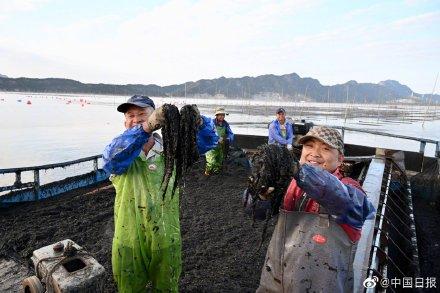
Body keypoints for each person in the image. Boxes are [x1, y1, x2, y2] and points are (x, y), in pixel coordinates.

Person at [102, 95, 217, 292]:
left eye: (142, 114)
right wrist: (145, 128)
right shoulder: (120, 151)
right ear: (125, 121)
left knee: (166, 287)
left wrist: (199, 121)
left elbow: (209, 141)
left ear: (156, 117)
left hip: (166, 237)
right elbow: (111, 161)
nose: (136, 119)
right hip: (129, 239)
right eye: (131, 115)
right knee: (129, 287)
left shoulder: (171, 151)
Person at [256, 126, 376, 292]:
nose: (315, 153)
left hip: (322, 285)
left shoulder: (349, 188)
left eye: (326, 149)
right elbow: (257, 214)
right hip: (274, 279)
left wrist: (300, 171)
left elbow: (358, 209)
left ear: (340, 159)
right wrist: (260, 194)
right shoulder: (289, 184)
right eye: (309, 146)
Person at [205, 107, 234, 175]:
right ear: (216, 115)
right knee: (211, 161)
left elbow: (230, 133)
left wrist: (229, 139)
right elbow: (208, 133)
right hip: (211, 145)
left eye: (223, 115)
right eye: (220, 115)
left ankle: (216, 173)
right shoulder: (211, 123)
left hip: (220, 146)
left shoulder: (225, 124)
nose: (222, 116)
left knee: (219, 160)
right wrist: (217, 139)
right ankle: (207, 172)